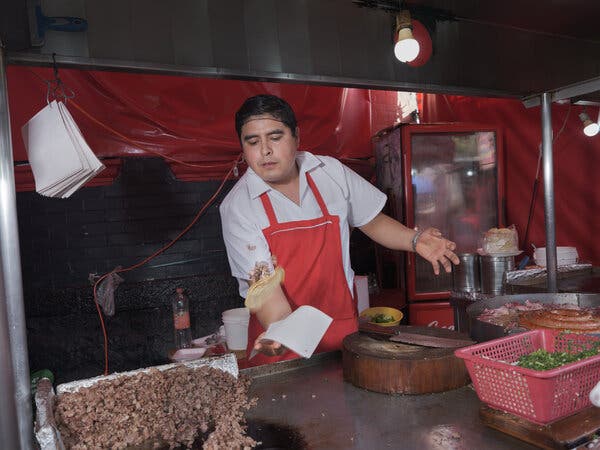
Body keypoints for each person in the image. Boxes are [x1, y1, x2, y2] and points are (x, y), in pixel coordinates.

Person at [219, 94, 459, 366]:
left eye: (275, 137)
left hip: (341, 330)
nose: (265, 151)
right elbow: (262, 286)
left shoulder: (329, 172)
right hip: (283, 339)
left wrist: (414, 240)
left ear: (296, 136)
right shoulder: (239, 206)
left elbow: (372, 221)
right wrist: (282, 332)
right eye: (253, 141)